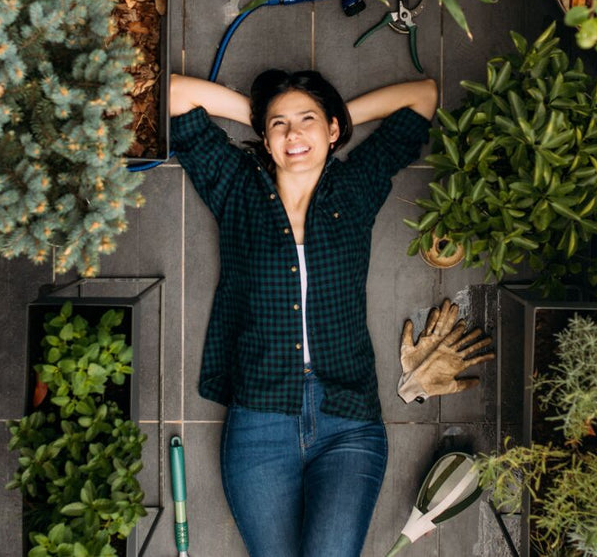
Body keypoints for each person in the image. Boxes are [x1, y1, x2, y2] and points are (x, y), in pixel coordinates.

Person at [169, 69, 438, 556]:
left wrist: (333, 118)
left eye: (307, 121)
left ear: (333, 131)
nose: (294, 134)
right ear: (265, 140)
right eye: (280, 126)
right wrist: (265, 115)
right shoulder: (236, 188)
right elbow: (174, 96)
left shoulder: (356, 186)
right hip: (260, 422)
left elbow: (423, 97)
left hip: (347, 419)